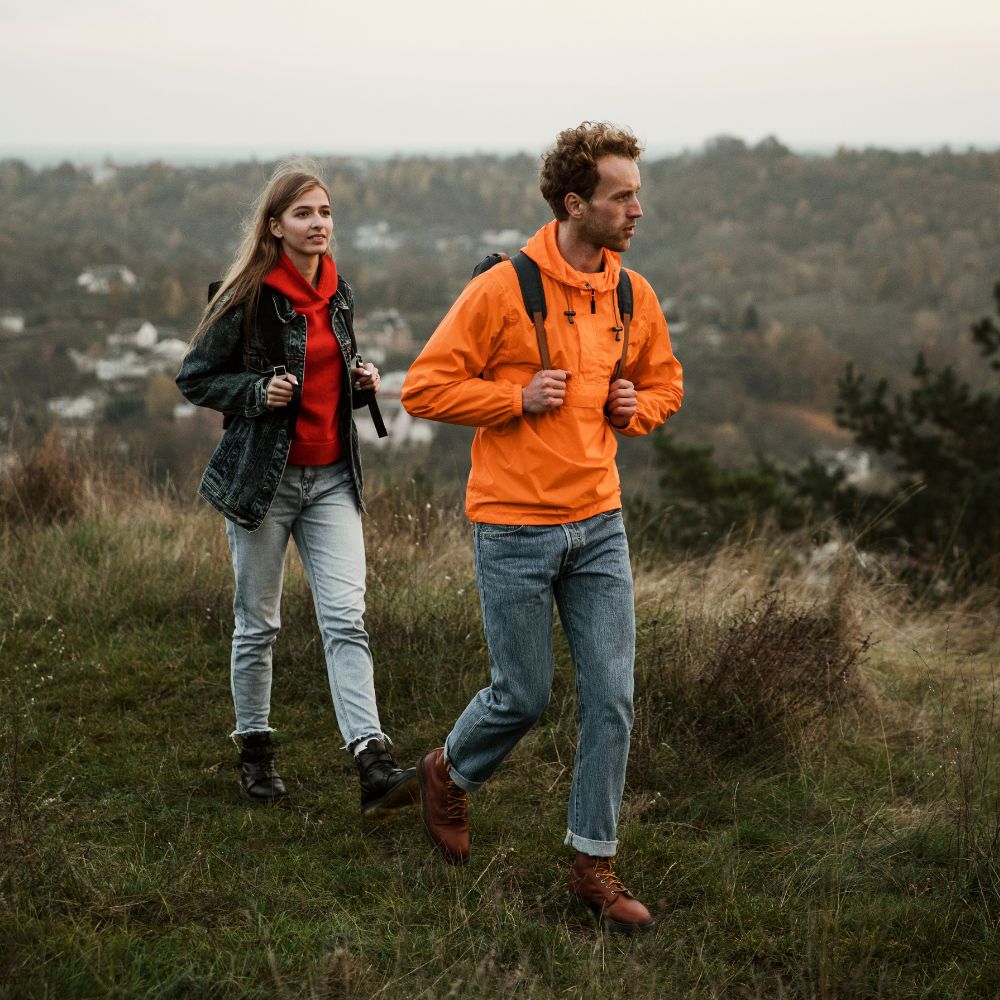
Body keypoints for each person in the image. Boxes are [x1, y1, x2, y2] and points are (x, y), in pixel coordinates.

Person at [400, 123, 683, 932]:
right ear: (575, 203)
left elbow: (662, 382)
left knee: (612, 699)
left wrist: (640, 408)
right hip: (513, 529)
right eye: (621, 195)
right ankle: (448, 773)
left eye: (636, 192)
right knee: (522, 695)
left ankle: (593, 864)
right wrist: (512, 399)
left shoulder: (632, 294)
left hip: (599, 525)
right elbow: (423, 388)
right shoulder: (502, 290)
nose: (637, 210)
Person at [177, 162, 418, 818]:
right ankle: (255, 750)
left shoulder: (338, 292)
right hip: (266, 484)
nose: (319, 224)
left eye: (326, 212)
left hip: (334, 477)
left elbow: (328, 371)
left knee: (346, 618)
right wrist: (256, 392)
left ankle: (372, 761)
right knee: (259, 624)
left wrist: (359, 379)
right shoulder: (248, 296)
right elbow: (194, 376)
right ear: (276, 225)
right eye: (305, 214)